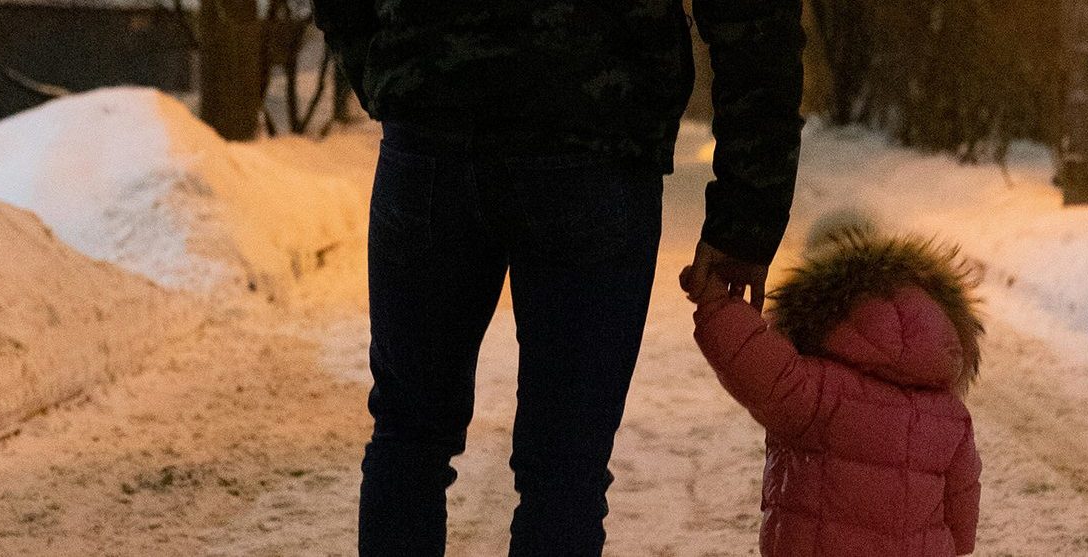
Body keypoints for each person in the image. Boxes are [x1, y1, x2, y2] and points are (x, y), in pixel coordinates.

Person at [308, 0, 805, 554]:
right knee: (565, 467)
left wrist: (389, 70)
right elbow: (756, 17)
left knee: (409, 438)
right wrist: (747, 211)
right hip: (597, 129)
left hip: (434, 124)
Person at [683, 220, 984, 557]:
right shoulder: (950, 416)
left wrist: (715, 304)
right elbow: (962, 495)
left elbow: (749, 362)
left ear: (826, 306)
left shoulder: (817, 391)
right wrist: (957, 542)